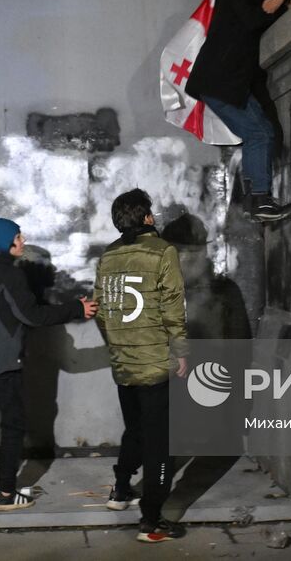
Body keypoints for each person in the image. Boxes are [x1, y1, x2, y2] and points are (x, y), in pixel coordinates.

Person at [0, 218, 96, 529]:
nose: (23, 241)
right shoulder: (10, 277)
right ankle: (6, 494)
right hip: (4, 367)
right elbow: (33, 316)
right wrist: (76, 309)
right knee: (12, 428)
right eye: (18, 237)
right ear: (6, 243)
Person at [94, 189, 189, 544]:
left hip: (123, 362)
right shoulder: (163, 251)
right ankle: (151, 520)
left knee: (134, 429)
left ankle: (120, 489)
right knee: (160, 443)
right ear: (147, 218)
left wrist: (118, 344)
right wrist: (181, 351)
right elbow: (173, 306)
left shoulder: (108, 256)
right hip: (155, 364)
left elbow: (101, 312)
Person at [184, 0, 291, 222]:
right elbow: (253, 19)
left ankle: (254, 202)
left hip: (222, 82)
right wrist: (280, 8)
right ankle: (260, 200)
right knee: (259, 133)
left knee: (256, 134)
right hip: (222, 81)